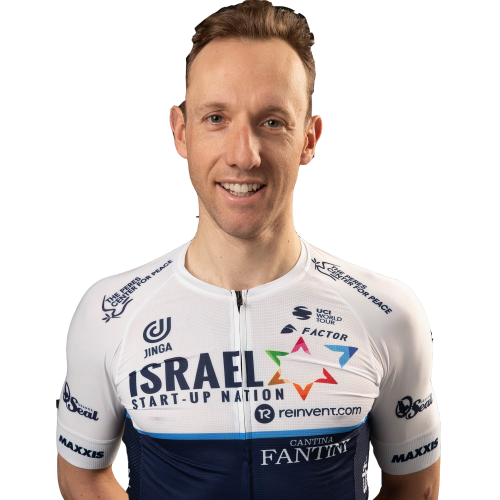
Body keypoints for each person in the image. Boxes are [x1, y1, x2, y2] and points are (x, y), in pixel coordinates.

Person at [56, 1, 441, 498]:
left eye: (273, 122)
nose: (244, 155)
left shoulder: (387, 312)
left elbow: (416, 484)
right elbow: (82, 474)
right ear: (181, 133)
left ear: (309, 139)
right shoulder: (108, 313)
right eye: (216, 118)